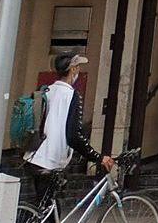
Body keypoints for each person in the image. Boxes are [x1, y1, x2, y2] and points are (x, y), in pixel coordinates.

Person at [25, 54, 113, 213]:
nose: (78, 71)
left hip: (34, 156)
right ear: (72, 69)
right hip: (50, 160)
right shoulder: (71, 95)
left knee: (48, 209)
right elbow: (73, 135)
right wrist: (97, 157)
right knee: (47, 212)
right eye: (77, 67)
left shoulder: (46, 90)